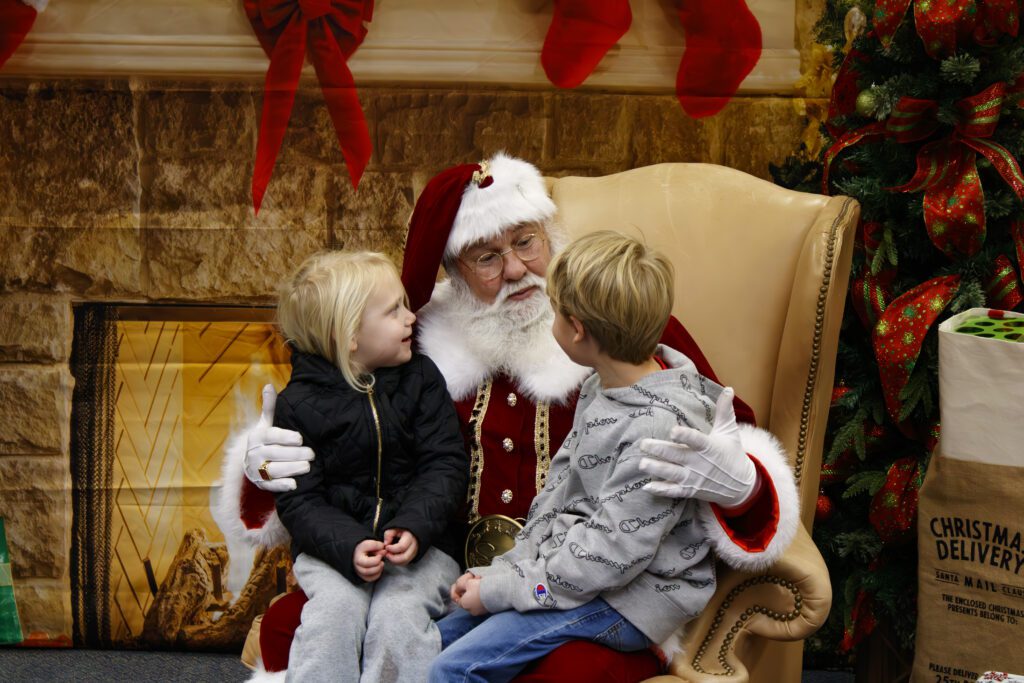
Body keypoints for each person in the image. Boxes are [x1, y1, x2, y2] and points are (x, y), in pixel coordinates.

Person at [219, 152, 799, 682]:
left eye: (527, 242)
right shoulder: (408, 342)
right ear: (452, 270)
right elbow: (340, 448)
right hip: (436, 566)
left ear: (550, 234)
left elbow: (728, 429)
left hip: (585, 587)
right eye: (488, 257)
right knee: (300, 625)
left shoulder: (616, 322)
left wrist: (744, 482)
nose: (519, 270)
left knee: (560, 673)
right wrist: (264, 464)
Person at [429, 230, 762, 682]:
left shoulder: (657, 431)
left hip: (629, 601)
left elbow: (611, 554)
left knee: (456, 668)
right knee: (436, 639)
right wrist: (505, 573)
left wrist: (506, 591)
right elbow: (558, 494)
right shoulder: (599, 386)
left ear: (577, 329)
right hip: (581, 575)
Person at [269, 250, 468, 682]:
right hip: (332, 550)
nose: (411, 316)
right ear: (350, 337)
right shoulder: (298, 405)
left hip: (423, 546)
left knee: (399, 615)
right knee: (333, 616)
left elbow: (445, 463)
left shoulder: (421, 379)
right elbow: (301, 500)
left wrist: (415, 526)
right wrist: (349, 544)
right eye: (393, 310)